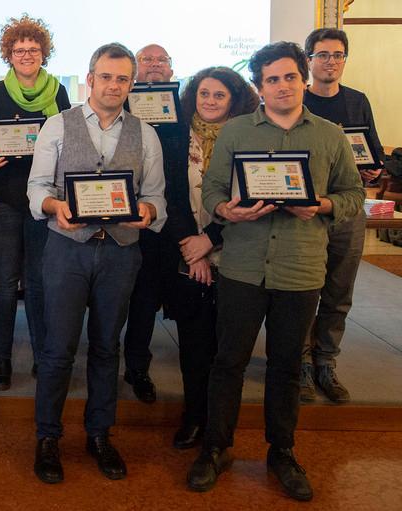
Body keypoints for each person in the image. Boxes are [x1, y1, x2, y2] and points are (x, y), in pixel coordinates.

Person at [188, 42, 364, 501]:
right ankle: (216, 447)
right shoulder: (236, 132)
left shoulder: (330, 136)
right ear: (259, 87)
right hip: (242, 267)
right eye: (272, 79)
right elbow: (213, 189)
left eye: (289, 77)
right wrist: (226, 209)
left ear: (303, 79)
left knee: (286, 366)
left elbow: (353, 196)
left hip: (300, 269)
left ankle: (282, 451)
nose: (282, 86)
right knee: (228, 362)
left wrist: (321, 205)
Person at [28, 42, 166, 484]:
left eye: (123, 79)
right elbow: (36, 188)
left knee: (107, 347)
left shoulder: (146, 134)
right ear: (90, 79)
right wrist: (54, 206)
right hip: (67, 250)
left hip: (120, 252)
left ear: (132, 84)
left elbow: (155, 196)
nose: (113, 85)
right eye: (106, 77)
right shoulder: (57, 125)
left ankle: (99, 434)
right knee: (58, 349)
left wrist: (148, 211)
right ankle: (48, 437)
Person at [161, 66, 259, 449]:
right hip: (188, 253)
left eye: (219, 95)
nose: (210, 101)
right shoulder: (176, 136)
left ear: (234, 99)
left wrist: (210, 240)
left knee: (227, 349)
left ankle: (218, 427)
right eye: (204, 93)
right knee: (193, 342)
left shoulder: (247, 137)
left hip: (236, 251)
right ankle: (193, 417)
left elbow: (249, 198)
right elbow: (169, 194)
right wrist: (193, 248)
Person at [0, 14, 71, 391]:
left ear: (44, 53)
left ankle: (42, 356)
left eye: (33, 49)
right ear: (9, 54)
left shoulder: (58, 93)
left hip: (44, 200)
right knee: (3, 283)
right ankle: (1, 360)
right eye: (19, 50)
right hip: (5, 198)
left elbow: (69, 143)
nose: (26, 54)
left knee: (38, 282)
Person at [300, 28, 384, 404]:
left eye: (337, 55)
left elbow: (372, 151)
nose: (330, 62)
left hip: (347, 210)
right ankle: (301, 361)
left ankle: (326, 361)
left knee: (339, 290)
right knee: (303, 289)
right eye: (322, 55)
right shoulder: (296, 99)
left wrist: (374, 170)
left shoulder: (357, 101)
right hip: (306, 212)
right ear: (309, 60)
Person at [119, 43, 180, 403]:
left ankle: (137, 366)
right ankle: (102, 360)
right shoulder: (118, 103)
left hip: (161, 216)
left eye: (162, 60)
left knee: (146, 297)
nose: (155, 65)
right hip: (117, 215)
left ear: (171, 69)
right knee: (111, 297)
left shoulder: (183, 106)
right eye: (147, 59)